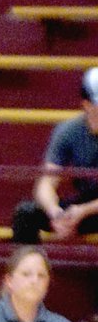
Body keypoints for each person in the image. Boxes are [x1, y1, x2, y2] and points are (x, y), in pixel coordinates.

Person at [11, 68, 98, 248]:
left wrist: (84, 210)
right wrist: (56, 213)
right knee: (26, 213)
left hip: (89, 208)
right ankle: (29, 269)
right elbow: (46, 184)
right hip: (84, 206)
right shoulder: (69, 131)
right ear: (87, 105)